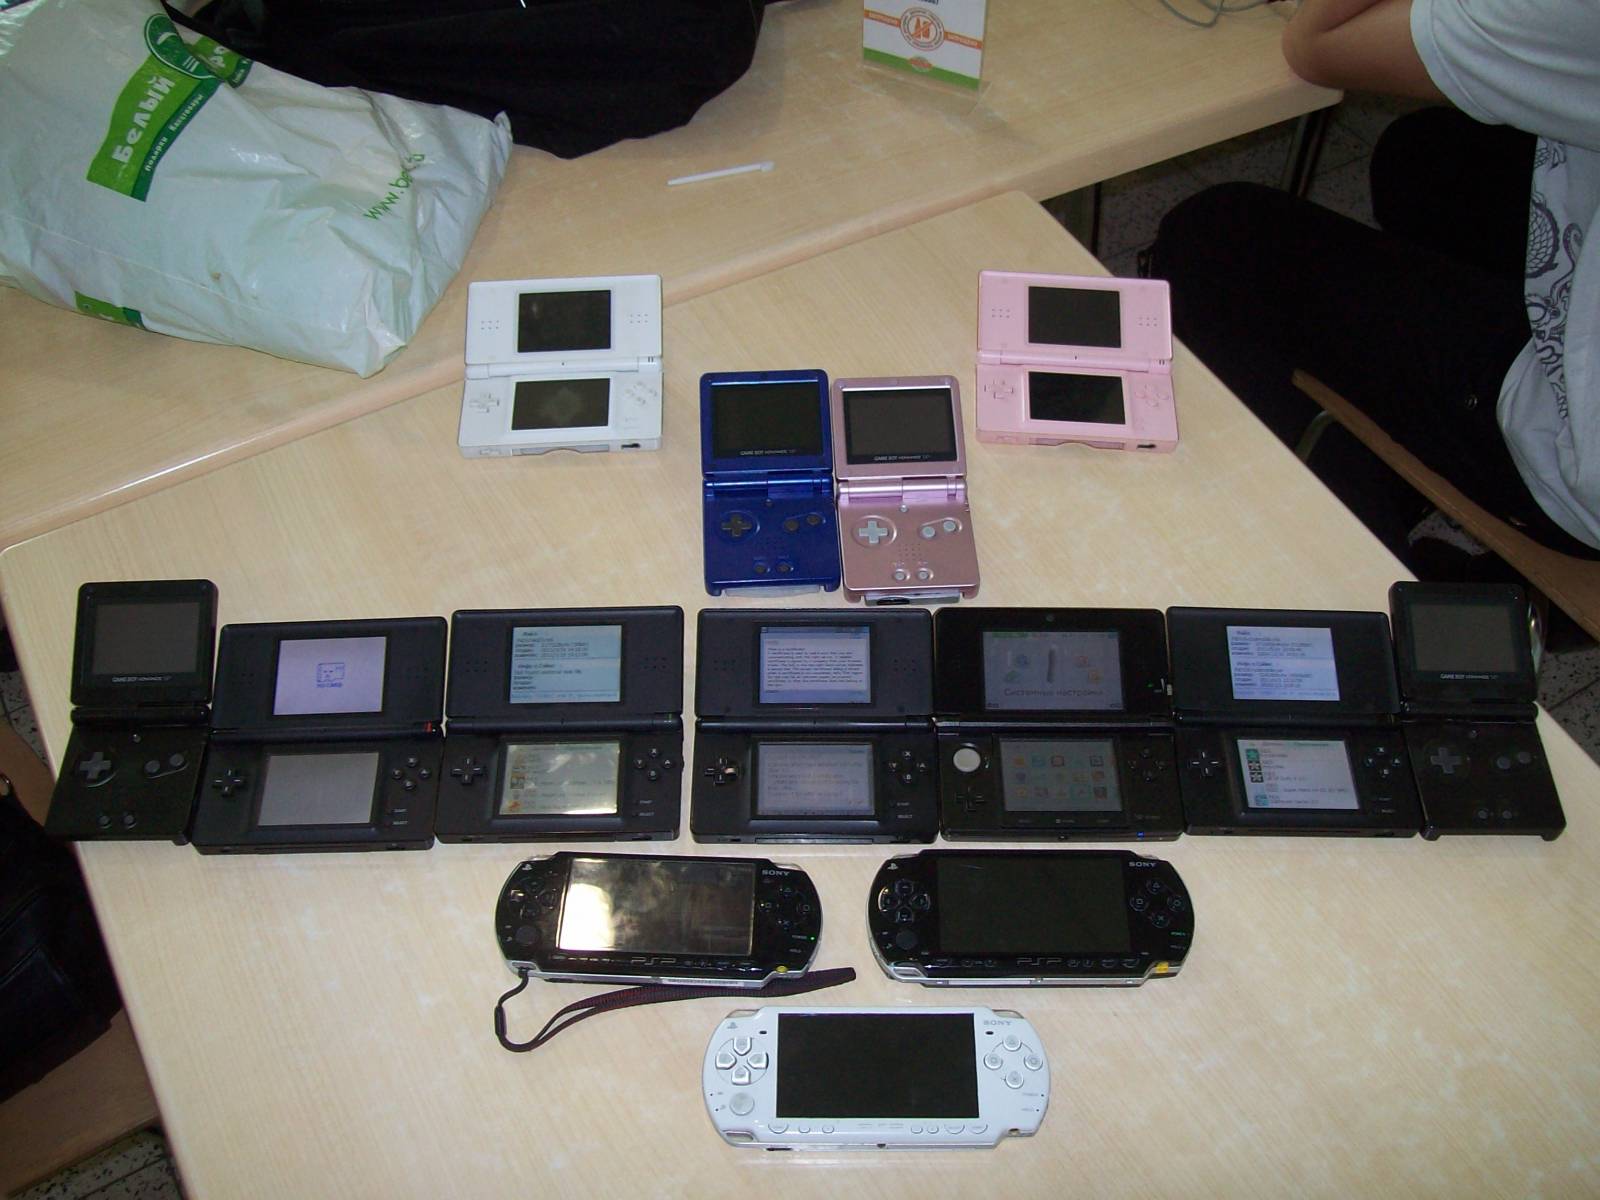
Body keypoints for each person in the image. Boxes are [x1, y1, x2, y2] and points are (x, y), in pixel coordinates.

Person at [1147, 0, 1600, 568]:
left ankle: (1360, 570)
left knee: (1216, 239)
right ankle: (1406, 449)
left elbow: (1316, 45)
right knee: (1421, 160)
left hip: (1570, 453)